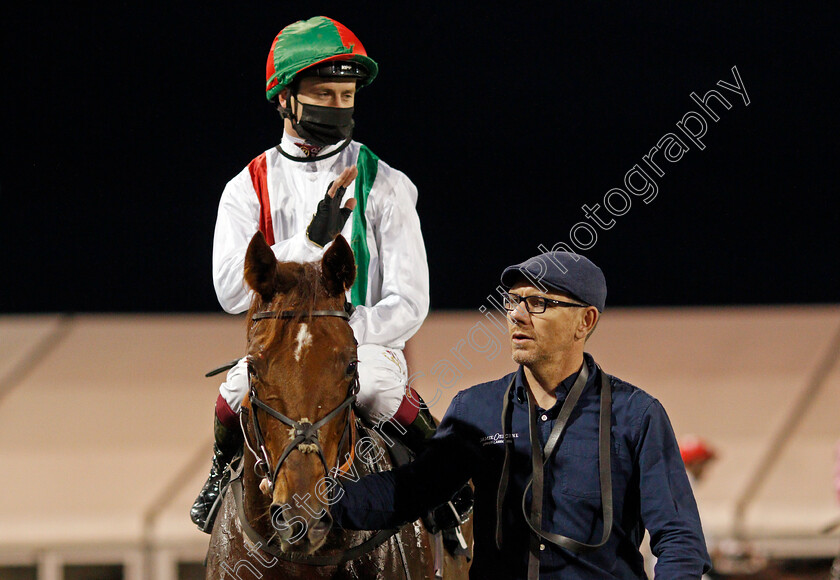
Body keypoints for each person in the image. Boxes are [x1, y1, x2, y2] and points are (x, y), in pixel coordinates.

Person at [190, 16, 436, 532]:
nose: (339, 107)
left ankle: (442, 481)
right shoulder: (243, 189)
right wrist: (310, 239)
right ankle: (219, 472)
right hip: (277, 349)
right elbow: (232, 294)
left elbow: (411, 303)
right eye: (324, 93)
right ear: (283, 98)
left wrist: (337, 334)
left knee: (380, 390)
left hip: (364, 346)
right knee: (235, 390)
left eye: (346, 95)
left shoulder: (388, 184)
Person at [333, 250, 712, 578]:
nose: (516, 315)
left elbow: (680, 539)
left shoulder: (637, 415)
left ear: (586, 320)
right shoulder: (474, 409)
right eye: (513, 300)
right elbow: (410, 492)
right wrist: (322, 500)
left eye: (539, 303)